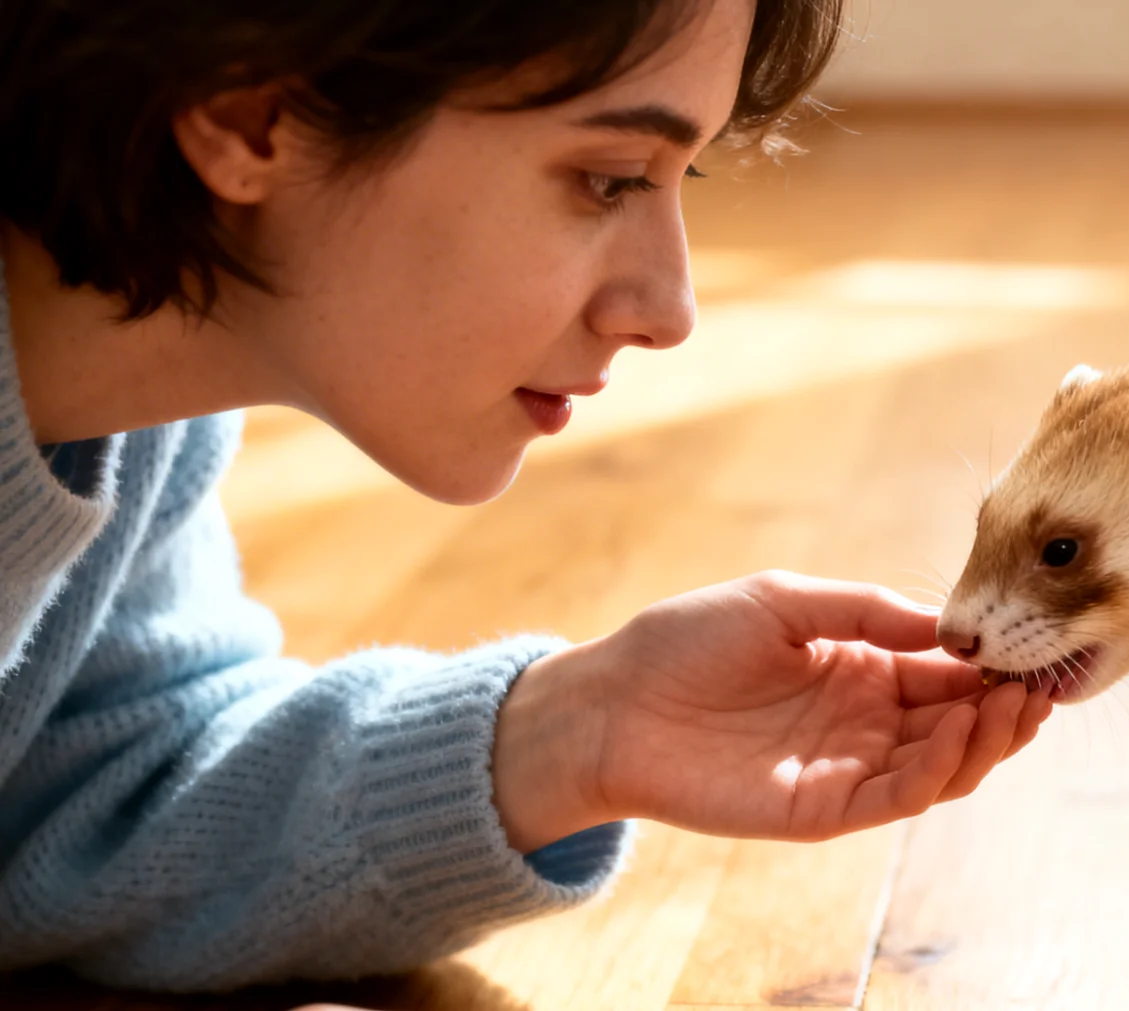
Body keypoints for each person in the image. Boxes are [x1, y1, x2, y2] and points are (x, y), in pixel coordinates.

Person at [0, 0, 1053, 993]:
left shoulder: (137, 430)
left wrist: (574, 733)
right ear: (248, 112)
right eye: (607, 179)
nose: (670, 309)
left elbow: (68, 794)